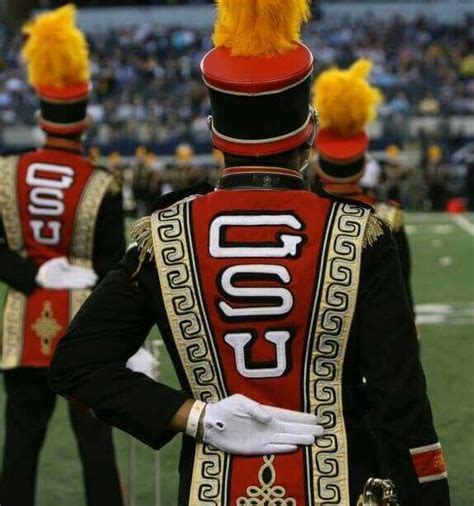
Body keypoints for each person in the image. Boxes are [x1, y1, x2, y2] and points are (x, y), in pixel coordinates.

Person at [50, 1, 450, 505]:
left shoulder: (164, 234)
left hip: (209, 489)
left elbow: (76, 365)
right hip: (336, 483)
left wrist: (199, 417)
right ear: (308, 136)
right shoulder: (361, 233)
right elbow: (400, 400)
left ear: (217, 137)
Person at [0, 6, 125, 506]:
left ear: (40, 116)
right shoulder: (102, 183)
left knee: (20, 447)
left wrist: (32, 274)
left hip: (20, 328)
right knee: (96, 448)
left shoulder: (6, 172)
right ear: (85, 121)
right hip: (85, 331)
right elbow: (116, 270)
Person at [313, 59, 414, 310]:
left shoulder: (301, 213)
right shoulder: (388, 215)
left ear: (320, 168)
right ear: (361, 170)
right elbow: (401, 289)